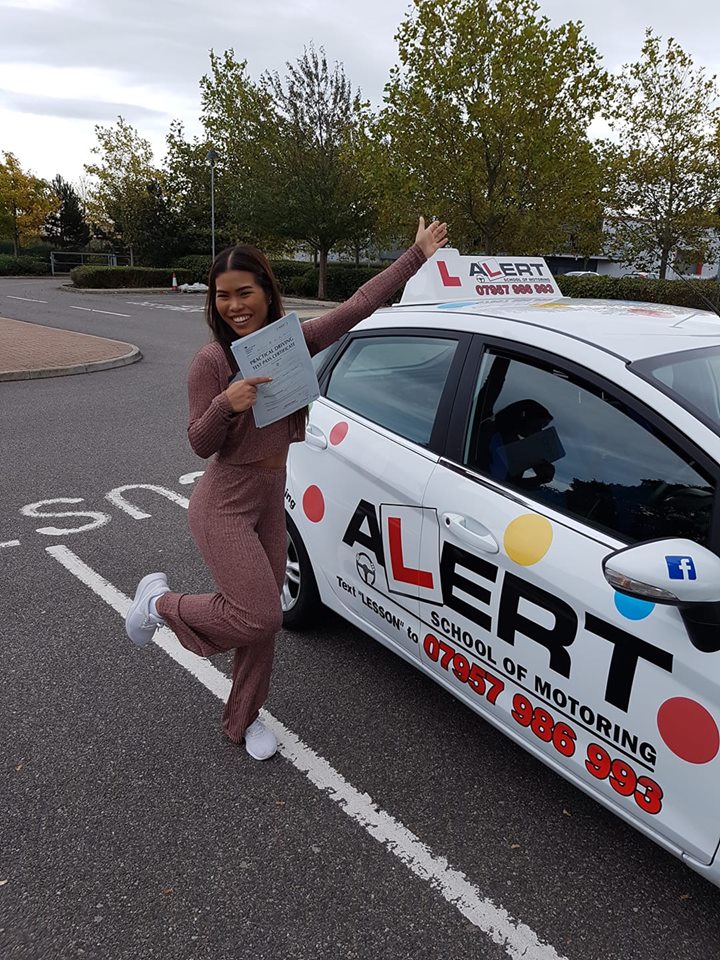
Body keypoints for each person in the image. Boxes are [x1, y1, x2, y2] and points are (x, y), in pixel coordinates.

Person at [125, 217, 448, 761]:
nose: (234, 306)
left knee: (261, 625)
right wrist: (225, 405)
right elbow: (200, 444)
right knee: (258, 614)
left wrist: (416, 255)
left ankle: (243, 719)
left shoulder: (290, 343)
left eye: (244, 292)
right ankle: (158, 603)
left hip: (271, 499)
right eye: (223, 296)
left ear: (267, 292)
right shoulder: (212, 362)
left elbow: (357, 306)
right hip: (224, 504)